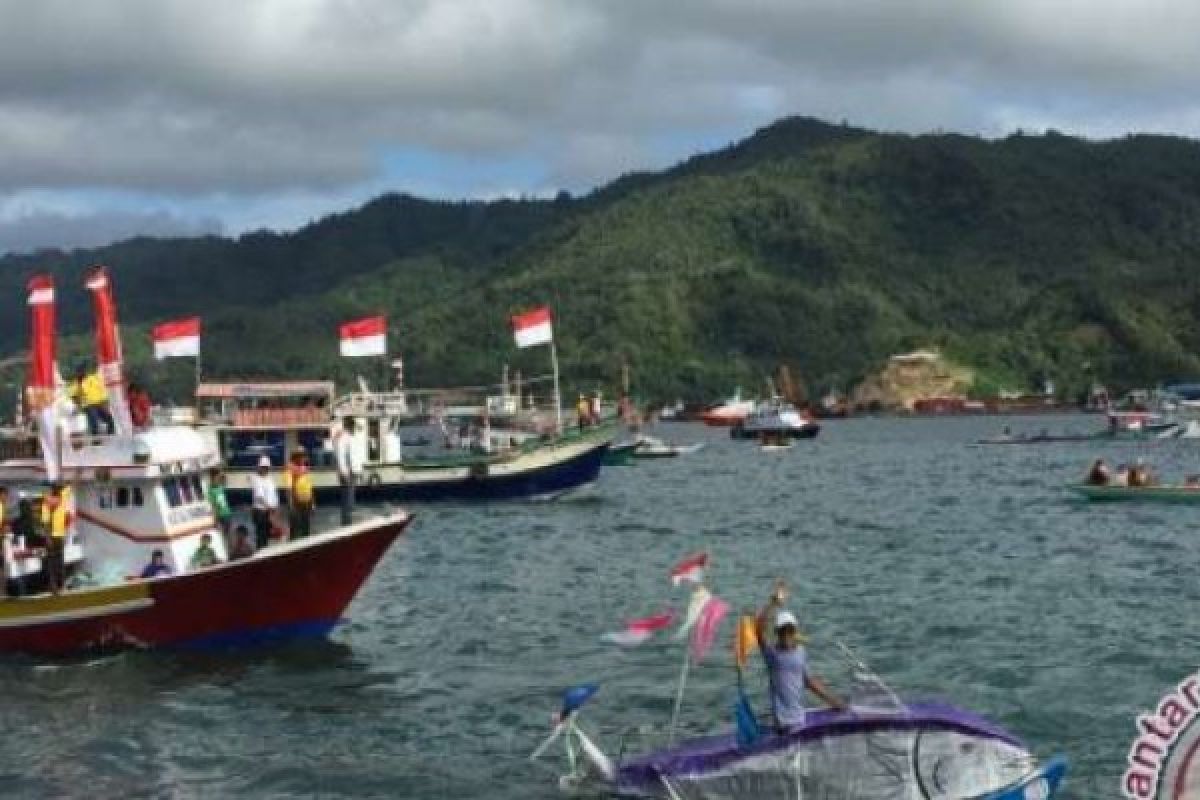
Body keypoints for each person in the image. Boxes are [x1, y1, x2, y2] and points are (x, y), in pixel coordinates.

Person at [755, 580, 845, 731]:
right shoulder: (772, 655)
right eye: (783, 632)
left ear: (794, 631)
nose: (786, 635)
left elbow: (809, 682)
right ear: (777, 633)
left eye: (789, 631)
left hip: (799, 718)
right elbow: (759, 629)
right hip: (782, 723)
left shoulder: (800, 652)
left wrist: (834, 702)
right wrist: (773, 603)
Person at [42, 484, 71, 594]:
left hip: (60, 536)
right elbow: (45, 523)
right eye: (57, 489)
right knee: (52, 563)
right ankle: (54, 587)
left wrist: (78, 472)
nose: (59, 491)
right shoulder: (47, 502)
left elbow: (72, 485)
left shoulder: (63, 497)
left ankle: (62, 586)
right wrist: (48, 538)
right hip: (52, 537)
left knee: (60, 562)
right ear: (54, 491)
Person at [70, 366, 114, 435]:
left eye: (81, 372)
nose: (79, 374)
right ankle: (96, 439)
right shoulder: (77, 383)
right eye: (78, 373)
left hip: (99, 402)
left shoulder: (93, 378)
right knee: (94, 419)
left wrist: (105, 400)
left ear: (84, 372)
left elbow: (102, 388)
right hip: (88, 405)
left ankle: (111, 433)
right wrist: (78, 404)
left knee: (108, 417)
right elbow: (73, 396)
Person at [250, 455, 280, 549]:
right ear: (259, 467)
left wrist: (275, 508)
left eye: (267, 467)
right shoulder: (256, 479)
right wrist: (270, 508)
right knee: (261, 536)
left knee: (267, 536)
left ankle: (266, 553)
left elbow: (274, 494)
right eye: (263, 467)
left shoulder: (270, 479)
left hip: (270, 511)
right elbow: (259, 496)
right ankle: (260, 554)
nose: (265, 469)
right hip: (260, 512)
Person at [286, 448, 315, 539]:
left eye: (303, 455)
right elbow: (289, 488)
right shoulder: (290, 469)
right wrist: (291, 506)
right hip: (296, 504)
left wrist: (313, 503)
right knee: (295, 530)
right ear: (296, 457)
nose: (304, 457)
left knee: (306, 530)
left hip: (307, 503)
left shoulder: (305, 469)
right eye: (301, 455)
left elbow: (310, 486)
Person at [334, 417, 357, 526]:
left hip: (350, 471)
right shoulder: (343, 438)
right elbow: (341, 456)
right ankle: (346, 524)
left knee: (349, 500)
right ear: (350, 425)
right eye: (353, 425)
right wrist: (344, 472)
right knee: (347, 500)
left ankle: (348, 522)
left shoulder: (348, 437)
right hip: (347, 472)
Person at [207, 469, 233, 548]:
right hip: (221, 515)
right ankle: (228, 551)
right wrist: (215, 519)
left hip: (227, 513)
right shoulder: (210, 489)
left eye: (219, 477)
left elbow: (225, 479)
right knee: (224, 536)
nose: (218, 478)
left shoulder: (220, 486)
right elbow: (213, 505)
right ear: (213, 477)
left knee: (230, 534)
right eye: (217, 477)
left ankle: (231, 550)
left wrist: (222, 472)